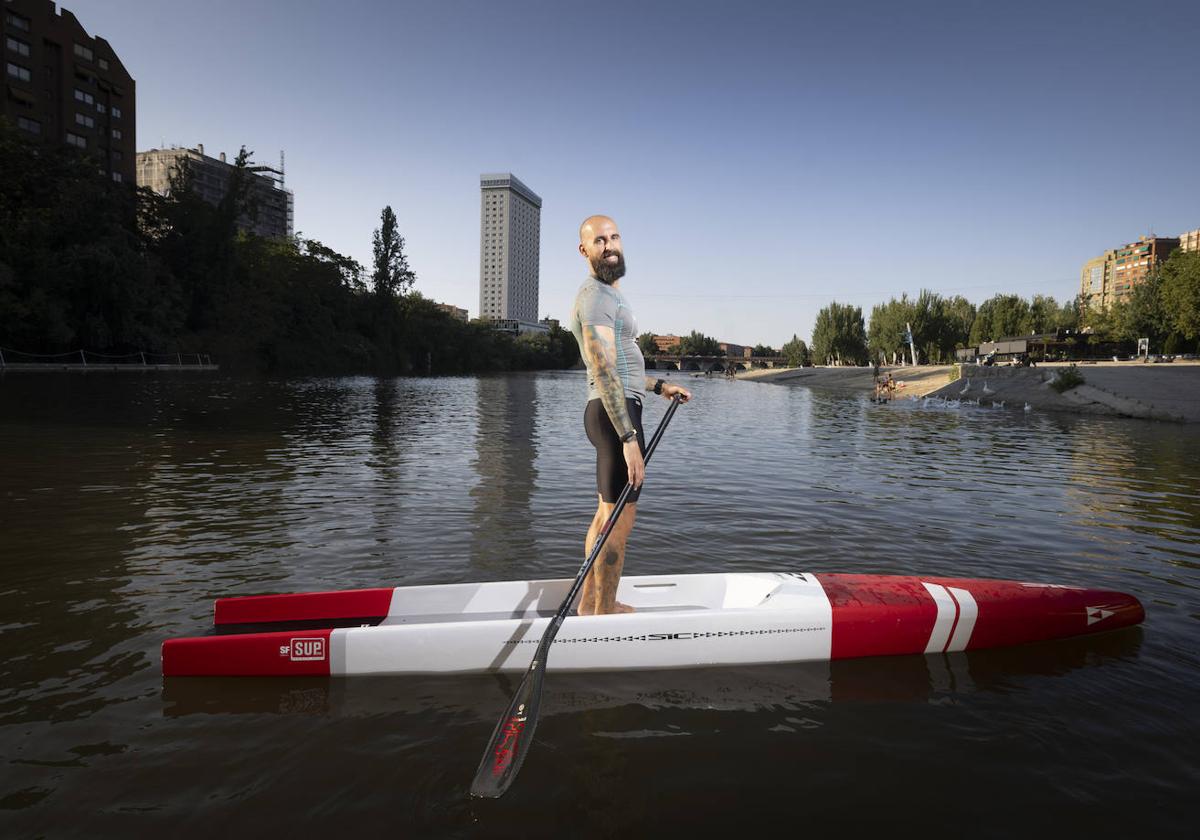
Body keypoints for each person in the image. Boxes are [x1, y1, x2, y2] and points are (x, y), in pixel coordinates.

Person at [569, 215, 691, 615]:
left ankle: (589, 605)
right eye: (599, 240)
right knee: (620, 523)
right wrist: (629, 438)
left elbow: (623, 364)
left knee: (606, 516)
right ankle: (605, 613)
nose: (610, 245)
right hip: (614, 415)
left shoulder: (610, 295)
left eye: (614, 237)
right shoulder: (596, 298)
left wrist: (659, 387)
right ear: (584, 250)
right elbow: (603, 369)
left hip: (614, 409)